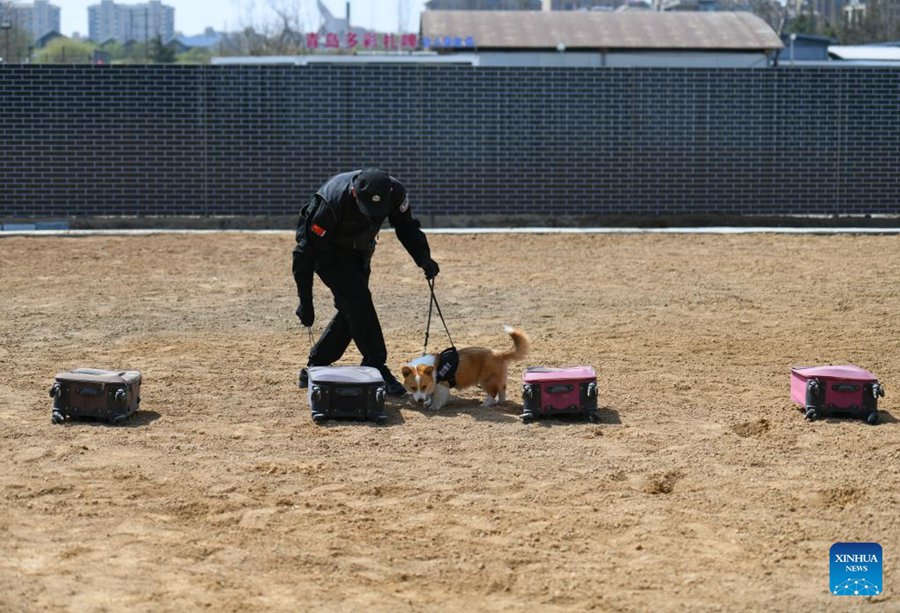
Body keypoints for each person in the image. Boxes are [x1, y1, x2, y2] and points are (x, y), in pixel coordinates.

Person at [292, 168, 439, 396]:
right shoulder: (330, 203)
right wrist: (305, 302)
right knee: (358, 301)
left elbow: (406, 226)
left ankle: (316, 363)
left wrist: (423, 257)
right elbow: (304, 253)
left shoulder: (396, 193)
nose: (372, 216)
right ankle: (375, 364)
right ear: (354, 193)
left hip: (360, 252)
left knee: (351, 310)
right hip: (328, 253)